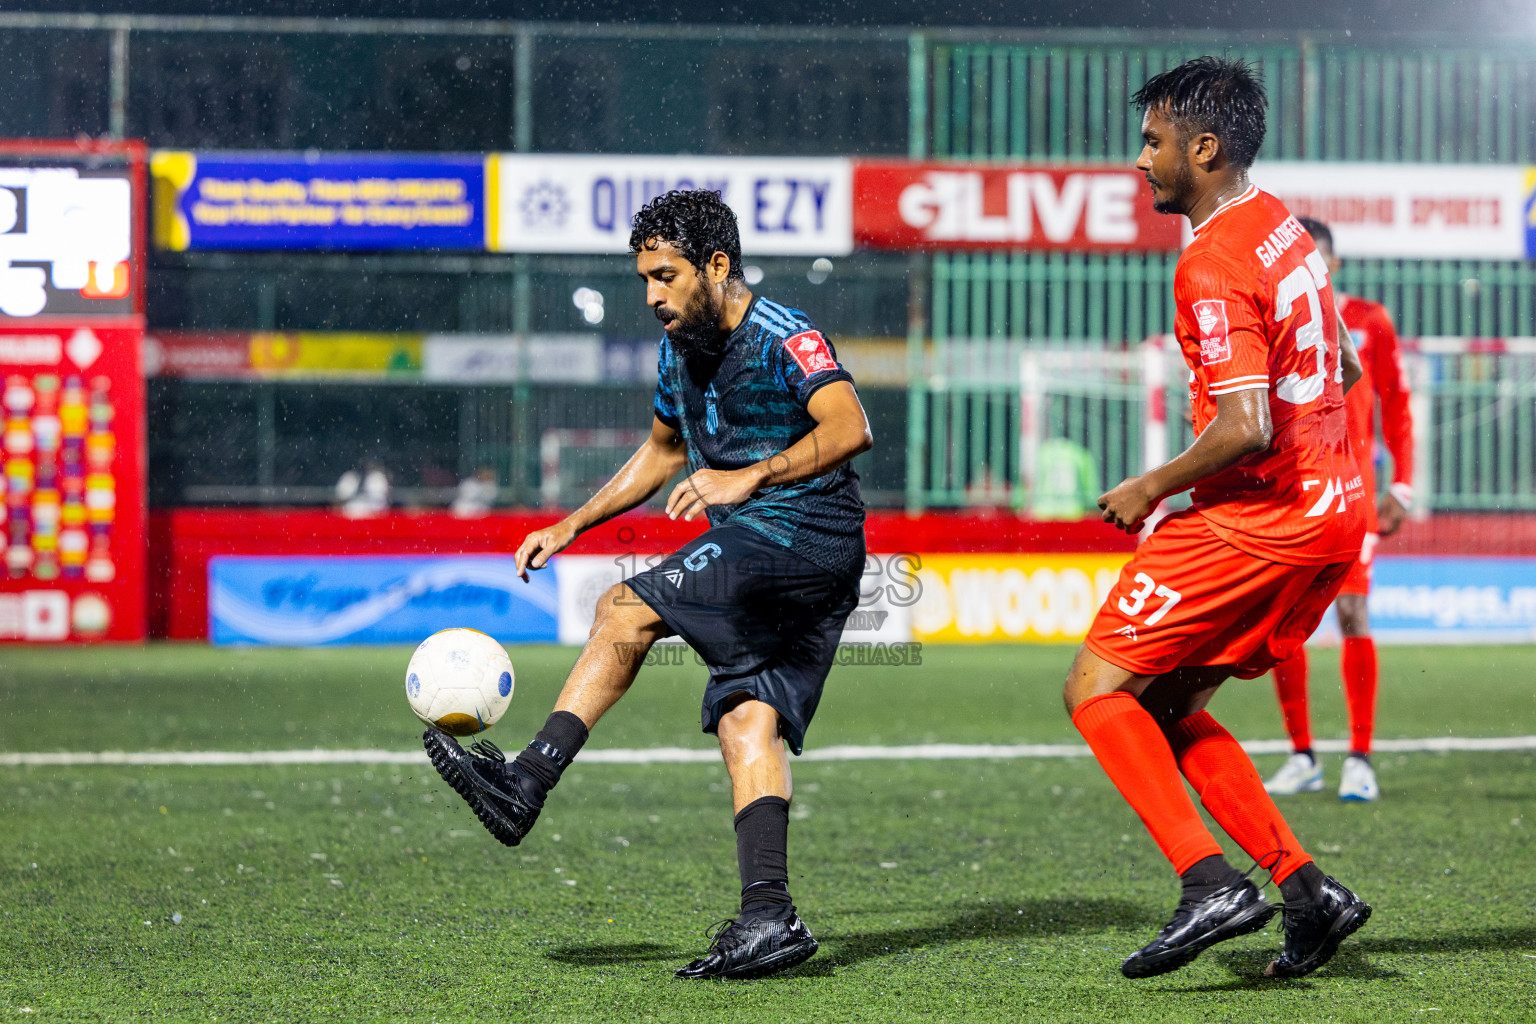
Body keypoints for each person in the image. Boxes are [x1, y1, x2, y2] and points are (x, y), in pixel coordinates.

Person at [423, 189, 872, 980]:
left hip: (802, 537)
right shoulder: (678, 350)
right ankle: (770, 917)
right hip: (785, 554)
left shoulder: (783, 335)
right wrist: (574, 523)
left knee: (624, 610)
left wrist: (749, 475)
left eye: (665, 275)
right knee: (747, 723)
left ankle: (526, 782)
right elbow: (664, 451)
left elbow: (849, 427)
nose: (652, 295)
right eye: (643, 279)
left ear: (718, 265)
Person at [1063, 57, 1372, 981]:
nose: (1143, 158)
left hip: (1266, 515)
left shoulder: (1212, 259)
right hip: (1334, 508)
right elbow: (1344, 370)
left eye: (1154, 141)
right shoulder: (1281, 225)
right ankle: (1306, 892)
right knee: (1165, 703)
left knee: (1095, 690)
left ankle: (1209, 884)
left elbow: (1244, 425)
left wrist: (1151, 486)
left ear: (1204, 148)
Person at [1265, 216, 1414, 803]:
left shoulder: (1368, 321)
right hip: (1291, 493)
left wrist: (1401, 486)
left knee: (1353, 612)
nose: (1313, 270)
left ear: (1334, 264)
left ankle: (1359, 757)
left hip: (1351, 492)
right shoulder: (1277, 324)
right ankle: (1302, 755)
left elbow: (1398, 405)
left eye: (1320, 260)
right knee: (1282, 625)